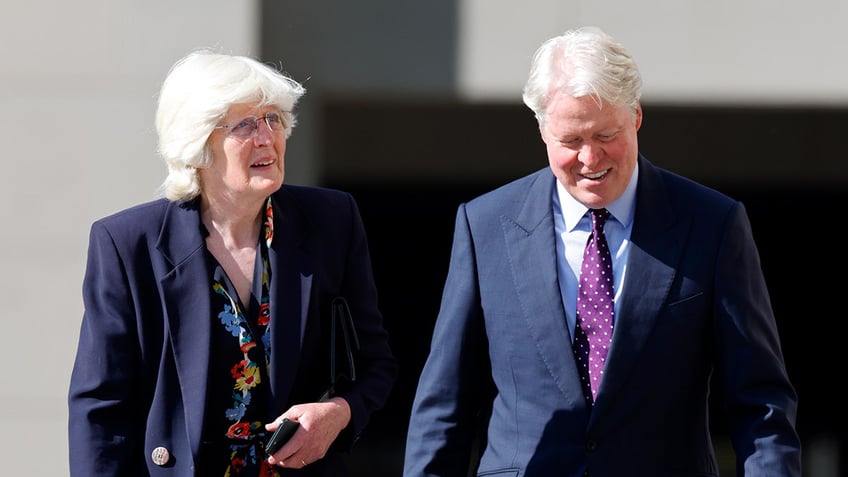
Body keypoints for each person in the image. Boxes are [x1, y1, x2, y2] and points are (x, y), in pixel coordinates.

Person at [402, 26, 801, 477]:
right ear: (542, 131)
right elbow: (445, 406)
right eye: (571, 141)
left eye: (606, 134)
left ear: (636, 117)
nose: (591, 159)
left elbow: (760, 404)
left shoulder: (710, 224)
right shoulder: (486, 226)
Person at [68, 49, 398, 476]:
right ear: (198, 142)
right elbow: (101, 407)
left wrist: (339, 411)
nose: (267, 138)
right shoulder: (127, 243)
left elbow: (376, 364)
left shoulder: (332, 221)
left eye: (274, 119)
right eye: (245, 124)